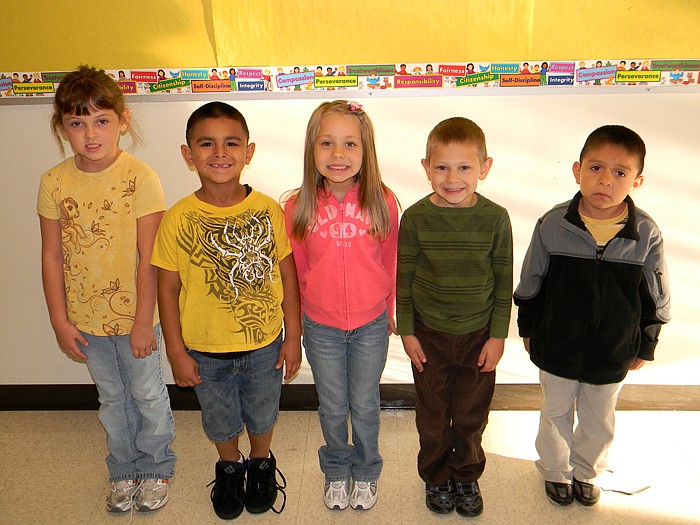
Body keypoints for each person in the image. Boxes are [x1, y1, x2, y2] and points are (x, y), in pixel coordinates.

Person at [152, 101, 301, 520]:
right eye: (206, 144)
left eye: (231, 143)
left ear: (248, 152)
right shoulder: (179, 217)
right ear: (188, 154)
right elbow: (167, 290)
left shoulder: (269, 210)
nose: (220, 152)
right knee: (218, 419)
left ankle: (260, 463)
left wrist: (293, 337)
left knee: (262, 411)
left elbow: (288, 278)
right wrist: (176, 351)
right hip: (203, 348)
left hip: (263, 344)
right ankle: (230, 467)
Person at [37, 65, 176, 513]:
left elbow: (150, 255)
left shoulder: (141, 177)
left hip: (137, 318)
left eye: (101, 120)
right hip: (86, 320)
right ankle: (123, 468)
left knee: (148, 393)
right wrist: (60, 321)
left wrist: (142, 323)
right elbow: (52, 256)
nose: (90, 134)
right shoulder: (53, 182)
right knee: (111, 397)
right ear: (62, 127)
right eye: (77, 123)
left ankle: (156, 465)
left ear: (123, 119)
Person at [513, 125, 671, 507]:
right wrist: (528, 328)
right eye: (596, 168)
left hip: (613, 348)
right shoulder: (553, 224)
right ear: (576, 170)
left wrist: (646, 344)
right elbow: (531, 280)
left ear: (638, 180)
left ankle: (586, 471)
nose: (606, 180)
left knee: (600, 417)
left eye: (620, 173)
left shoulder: (645, 233)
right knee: (555, 411)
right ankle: (554, 470)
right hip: (556, 343)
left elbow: (656, 295)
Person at [284, 100, 399, 511]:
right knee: (333, 405)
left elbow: (390, 260)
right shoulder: (297, 207)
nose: (338, 155)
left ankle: (366, 470)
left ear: (365, 150)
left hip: (370, 325)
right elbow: (294, 276)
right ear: (311, 150)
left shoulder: (383, 200)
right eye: (327, 143)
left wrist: (388, 311)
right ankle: (336, 469)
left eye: (350, 144)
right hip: (321, 327)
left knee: (365, 403)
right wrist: (294, 332)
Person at [397, 117, 513, 517]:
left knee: (469, 415)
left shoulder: (496, 219)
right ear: (426, 167)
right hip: (428, 335)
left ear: (485, 168)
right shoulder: (414, 218)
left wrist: (498, 336)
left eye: (464, 167)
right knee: (431, 417)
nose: (452, 178)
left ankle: (465, 474)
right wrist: (407, 332)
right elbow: (404, 278)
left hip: (479, 336)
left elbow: (503, 281)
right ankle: (434, 476)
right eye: (442, 167)